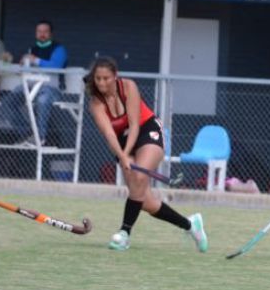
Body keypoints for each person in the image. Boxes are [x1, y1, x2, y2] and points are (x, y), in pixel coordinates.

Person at [85, 56, 208, 252]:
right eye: (98, 78)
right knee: (144, 201)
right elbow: (109, 134)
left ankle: (124, 234)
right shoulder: (96, 103)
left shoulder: (128, 87)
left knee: (140, 176)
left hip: (146, 129)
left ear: (115, 76)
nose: (101, 83)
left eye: (106, 78)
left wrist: (126, 155)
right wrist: (123, 155)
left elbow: (134, 125)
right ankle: (191, 225)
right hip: (121, 142)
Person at [7, 20, 68, 146]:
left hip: (51, 88)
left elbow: (55, 66)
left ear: (51, 34)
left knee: (42, 101)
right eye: (39, 31)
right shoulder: (32, 49)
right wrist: (23, 65)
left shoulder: (59, 49)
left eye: (45, 32)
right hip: (30, 86)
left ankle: (40, 137)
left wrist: (35, 60)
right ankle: (28, 134)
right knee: (8, 102)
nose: (42, 34)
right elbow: (26, 70)